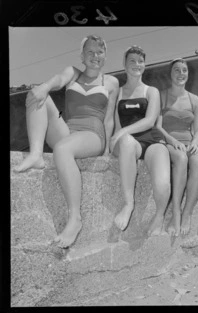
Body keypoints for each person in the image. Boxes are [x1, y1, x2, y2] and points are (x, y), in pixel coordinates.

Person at [14, 35, 119, 248]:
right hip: (69, 131)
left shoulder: (111, 82)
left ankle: (75, 219)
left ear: (105, 57)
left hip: (92, 134)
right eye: (89, 51)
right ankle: (36, 154)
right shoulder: (73, 73)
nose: (94, 56)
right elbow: (58, 80)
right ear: (82, 56)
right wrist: (45, 86)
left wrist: (107, 149)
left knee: (62, 149)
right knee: (36, 95)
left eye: (99, 52)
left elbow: (108, 118)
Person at [110, 46, 171, 236]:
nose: (137, 64)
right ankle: (128, 204)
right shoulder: (118, 92)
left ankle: (159, 215)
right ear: (124, 64)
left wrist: (122, 133)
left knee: (162, 185)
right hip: (128, 142)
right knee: (127, 142)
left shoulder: (151, 91)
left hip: (151, 140)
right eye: (132, 61)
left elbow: (150, 121)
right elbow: (115, 123)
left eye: (140, 61)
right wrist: (114, 141)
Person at [156, 58, 198, 237]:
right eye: (176, 70)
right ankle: (175, 211)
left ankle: (187, 213)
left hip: (188, 142)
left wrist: (194, 144)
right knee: (181, 158)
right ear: (170, 74)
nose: (180, 74)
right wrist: (171, 140)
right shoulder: (161, 95)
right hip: (167, 141)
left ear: (188, 74)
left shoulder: (195, 100)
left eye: (184, 70)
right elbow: (157, 126)